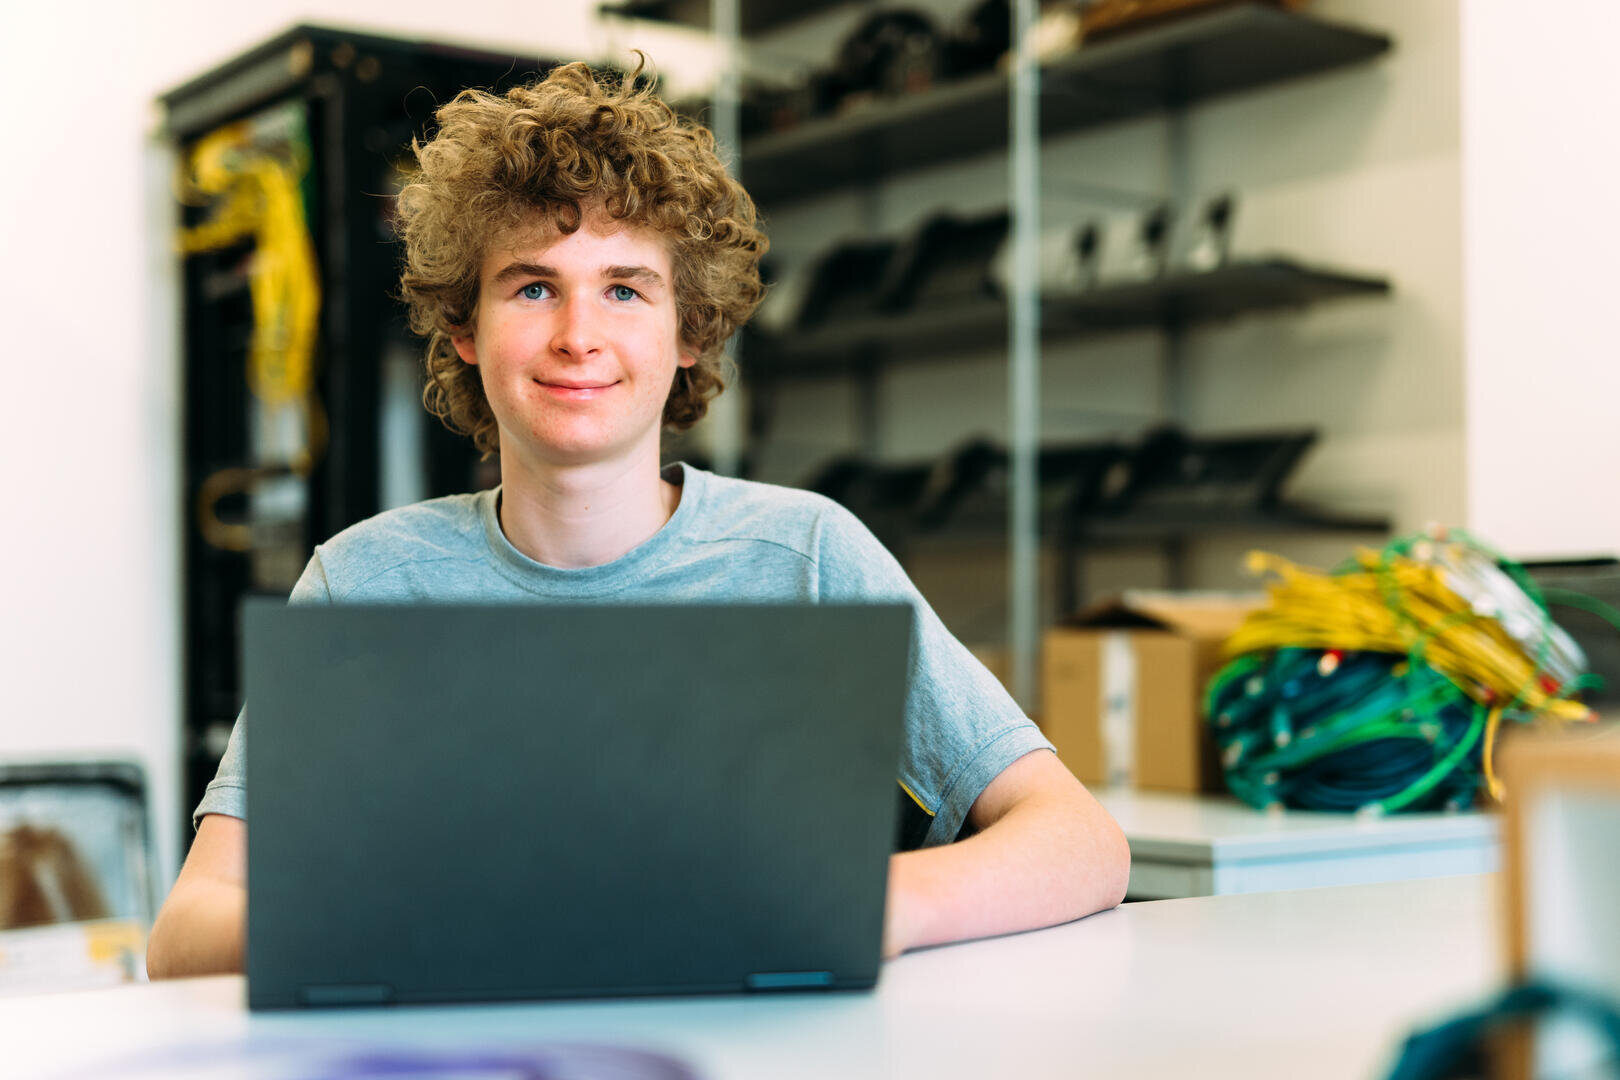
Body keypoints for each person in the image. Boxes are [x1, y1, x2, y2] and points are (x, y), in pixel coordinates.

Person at [146, 60, 1129, 980]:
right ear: (463, 327)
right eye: (533, 287)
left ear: (690, 332)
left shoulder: (805, 558)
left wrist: (872, 903)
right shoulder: (362, 586)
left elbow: (1082, 843)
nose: (579, 336)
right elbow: (187, 931)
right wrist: (414, 921)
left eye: (625, 290)